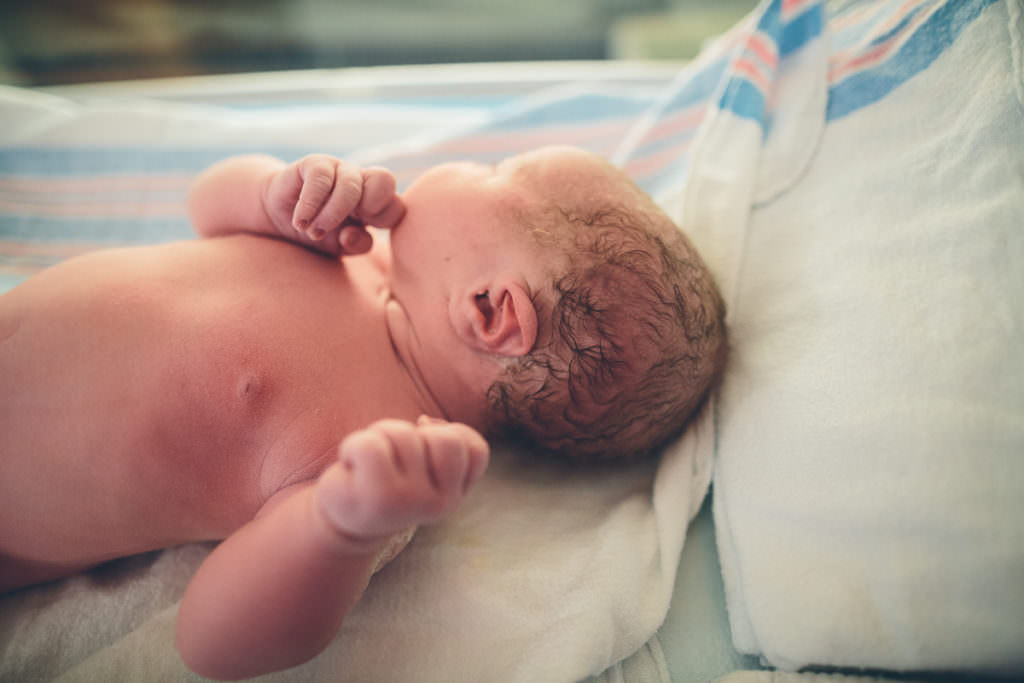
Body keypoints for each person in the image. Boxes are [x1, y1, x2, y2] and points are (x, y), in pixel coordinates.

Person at [0, 145, 727, 679]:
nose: (469, 161)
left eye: (496, 171)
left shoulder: (380, 457)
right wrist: (268, 193)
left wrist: (338, 527)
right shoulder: (346, 246)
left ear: (489, 309)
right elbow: (204, 206)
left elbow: (214, 640)